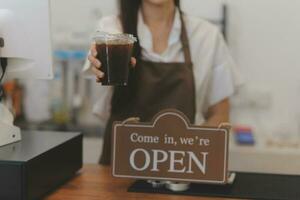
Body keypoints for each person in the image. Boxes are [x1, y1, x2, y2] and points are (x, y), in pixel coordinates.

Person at [84, 0, 243, 165]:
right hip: (119, 172)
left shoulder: (206, 36)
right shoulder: (113, 29)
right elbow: (100, 61)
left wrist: (193, 154)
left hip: (182, 169)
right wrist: (100, 63)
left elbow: (219, 114)